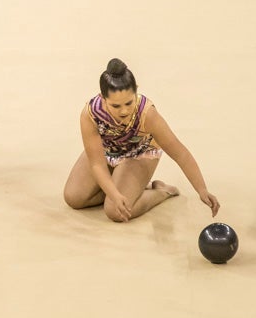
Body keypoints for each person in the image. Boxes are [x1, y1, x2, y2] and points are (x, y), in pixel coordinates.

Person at [64, 58, 220, 222]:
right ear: (103, 99)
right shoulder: (90, 114)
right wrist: (114, 193)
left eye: (128, 102)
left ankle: (162, 192)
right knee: (74, 198)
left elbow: (180, 153)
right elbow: (97, 164)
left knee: (115, 212)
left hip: (139, 154)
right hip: (107, 151)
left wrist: (202, 190)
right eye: (116, 106)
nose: (124, 111)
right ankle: (126, 187)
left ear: (136, 91)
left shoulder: (147, 114)